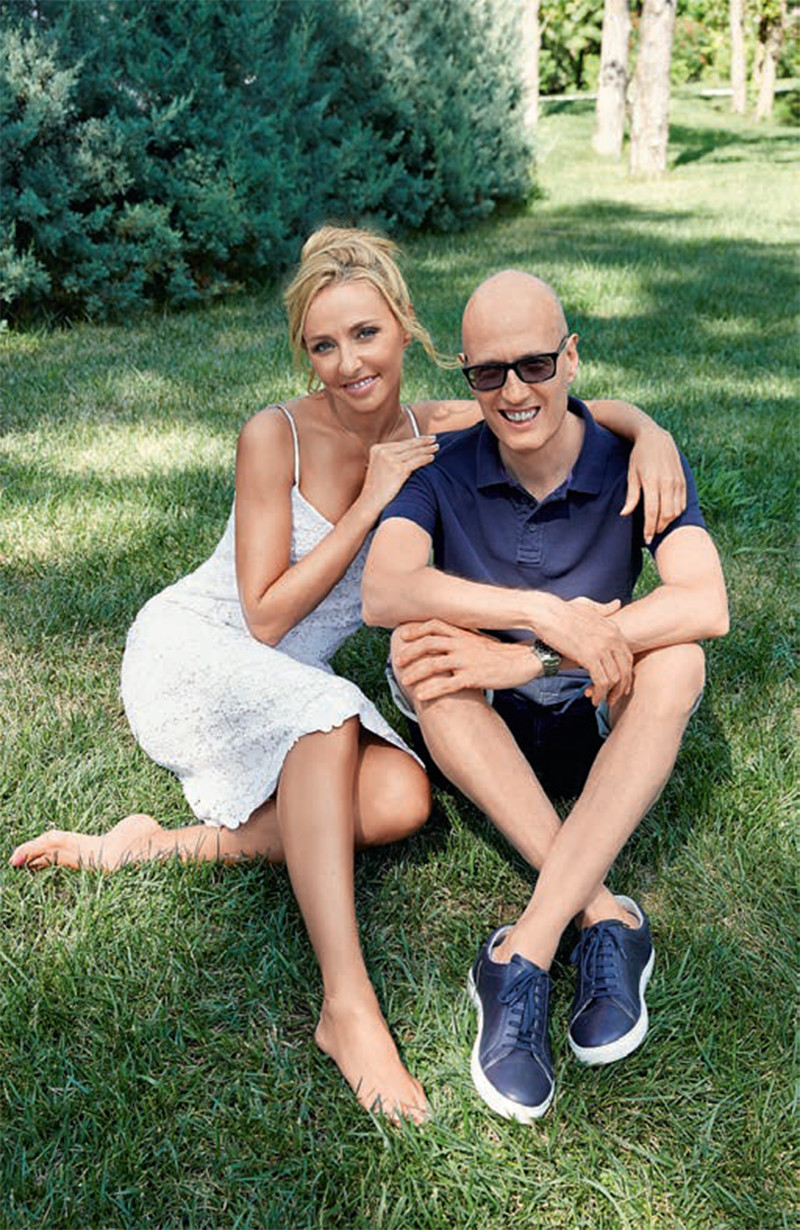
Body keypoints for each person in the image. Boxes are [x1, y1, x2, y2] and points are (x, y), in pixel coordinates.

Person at [10, 229, 688, 1124]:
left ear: (405, 328)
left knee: (404, 801)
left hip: (288, 676)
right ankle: (348, 1007)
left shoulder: (437, 425)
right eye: (323, 345)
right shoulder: (275, 435)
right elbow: (265, 617)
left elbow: (563, 401)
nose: (349, 363)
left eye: (366, 334)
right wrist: (370, 498)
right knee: (330, 714)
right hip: (199, 653)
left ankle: (158, 843)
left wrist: (649, 432)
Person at [362, 269, 728, 1123]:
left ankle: (519, 954)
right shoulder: (442, 468)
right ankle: (604, 916)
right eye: (489, 373)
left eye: (534, 364)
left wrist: (529, 658)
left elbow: (706, 603)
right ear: (467, 375)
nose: (515, 392)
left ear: (571, 358)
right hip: (484, 735)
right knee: (424, 659)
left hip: (599, 713)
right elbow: (384, 590)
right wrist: (542, 615)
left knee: (680, 662)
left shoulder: (635, 460)